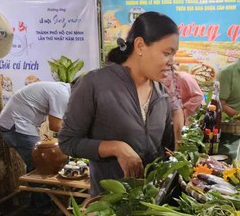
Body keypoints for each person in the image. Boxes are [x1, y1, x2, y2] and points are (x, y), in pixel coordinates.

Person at [58, 11, 177, 196]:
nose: (171, 62)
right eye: (167, 53)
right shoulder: (94, 84)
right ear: (140, 46)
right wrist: (115, 147)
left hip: (151, 203)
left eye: (173, 55)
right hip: (109, 208)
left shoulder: (161, 93)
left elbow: (166, 147)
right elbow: (68, 142)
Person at [0, 81, 71, 213]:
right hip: (16, 125)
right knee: (40, 164)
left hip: (21, 124)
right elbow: (55, 126)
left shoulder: (63, 90)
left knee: (36, 164)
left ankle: (39, 202)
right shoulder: (62, 94)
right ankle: (43, 206)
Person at [163, 64, 205, 143]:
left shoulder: (185, 77)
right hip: (183, 111)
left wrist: (183, 107)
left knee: (189, 136)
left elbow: (198, 96)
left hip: (194, 109)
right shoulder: (169, 82)